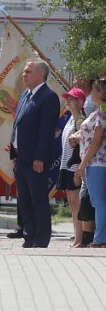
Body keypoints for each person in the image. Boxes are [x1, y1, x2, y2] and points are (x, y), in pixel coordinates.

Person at [10, 59, 61, 248]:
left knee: (38, 200)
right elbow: (18, 124)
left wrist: (40, 157)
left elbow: (46, 130)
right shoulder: (25, 94)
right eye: (24, 71)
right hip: (21, 159)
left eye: (28, 71)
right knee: (24, 200)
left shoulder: (48, 97)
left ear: (41, 74)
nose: (24, 75)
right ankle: (29, 235)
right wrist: (13, 151)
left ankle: (41, 238)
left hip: (35, 160)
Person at [75, 79, 106, 247]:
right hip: (97, 162)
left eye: (94, 90)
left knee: (98, 201)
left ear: (101, 93)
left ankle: (101, 238)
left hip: (96, 162)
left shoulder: (101, 113)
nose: (91, 93)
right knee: (99, 201)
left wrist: (83, 164)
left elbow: (97, 139)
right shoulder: (99, 112)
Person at [60, 88, 87, 246]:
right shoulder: (71, 119)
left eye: (71, 99)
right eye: (67, 98)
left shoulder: (80, 122)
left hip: (74, 167)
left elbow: (83, 148)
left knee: (76, 203)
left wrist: (79, 169)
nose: (67, 101)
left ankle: (79, 239)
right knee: (72, 203)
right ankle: (77, 236)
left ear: (80, 102)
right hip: (66, 166)